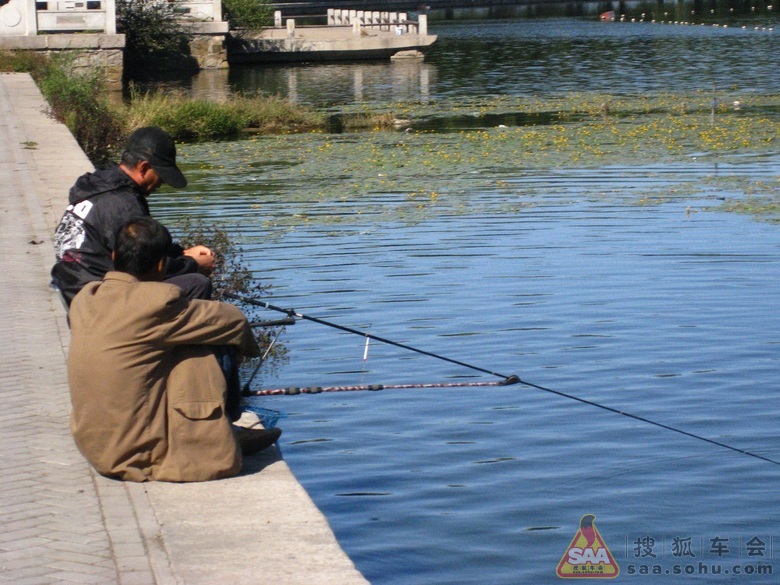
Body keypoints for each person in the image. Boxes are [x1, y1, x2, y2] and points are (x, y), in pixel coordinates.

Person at [67, 217, 281, 482]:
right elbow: (233, 320)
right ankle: (225, 430)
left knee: (178, 341)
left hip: (97, 447)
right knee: (211, 342)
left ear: (113, 256)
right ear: (161, 265)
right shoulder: (155, 303)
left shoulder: (86, 298)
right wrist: (240, 354)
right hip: (136, 453)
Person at [51, 126, 214, 306]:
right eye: (161, 175)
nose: (161, 183)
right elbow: (144, 266)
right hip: (97, 300)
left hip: (72, 288)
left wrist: (181, 253)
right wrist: (193, 264)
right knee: (197, 283)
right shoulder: (124, 204)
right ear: (143, 168)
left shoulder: (98, 186)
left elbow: (139, 247)